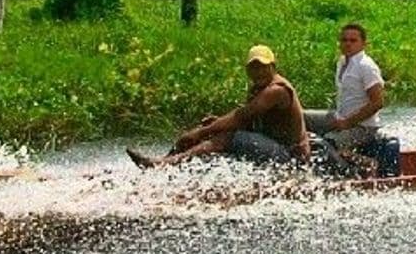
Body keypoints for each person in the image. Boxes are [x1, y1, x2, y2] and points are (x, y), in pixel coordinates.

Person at [127, 44, 309, 168]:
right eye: (254, 68)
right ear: (247, 70)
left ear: (273, 67)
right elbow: (250, 120)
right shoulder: (258, 88)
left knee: (226, 137)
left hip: (289, 155)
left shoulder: (276, 90)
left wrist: (200, 132)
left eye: (263, 67)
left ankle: (166, 165)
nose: (258, 72)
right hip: (273, 143)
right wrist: (214, 124)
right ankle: (165, 161)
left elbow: (240, 117)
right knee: (212, 130)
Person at [304, 23, 385, 160]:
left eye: (353, 41)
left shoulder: (366, 66)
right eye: (344, 40)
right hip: (340, 116)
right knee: (301, 116)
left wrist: (347, 123)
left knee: (326, 143)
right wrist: (342, 120)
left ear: (363, 44)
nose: (348, 44)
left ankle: (356, 166)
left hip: (363, 127)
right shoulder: (342, 62)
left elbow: (377, 102)